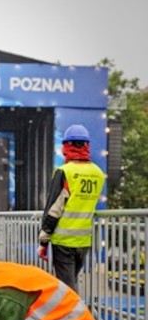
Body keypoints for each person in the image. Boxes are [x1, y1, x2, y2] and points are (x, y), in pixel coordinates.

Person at [37, 124, 105, 292]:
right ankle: (74, 315)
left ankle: (76, 317)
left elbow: (54, 209)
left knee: (67, 290)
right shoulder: (97, 173)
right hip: (84, 241)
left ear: (66, 146)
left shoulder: (64, 171)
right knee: (71, 285)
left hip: (63, 242)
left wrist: (43, 241)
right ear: (86, 146)